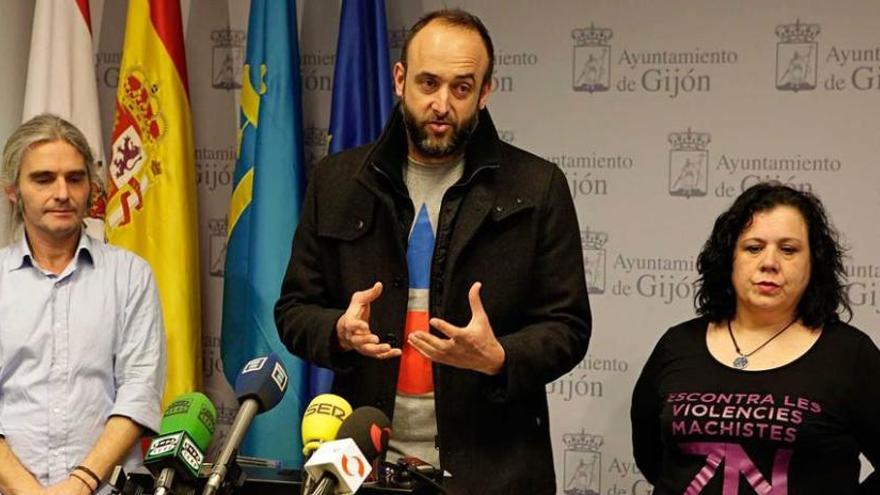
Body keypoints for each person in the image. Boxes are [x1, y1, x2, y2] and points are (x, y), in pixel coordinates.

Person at [274, 9, 591, 494]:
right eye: (428, 83)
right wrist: (337, 330)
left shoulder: (538, 186)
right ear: (400, 80)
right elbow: (295, 309)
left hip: (493, 469)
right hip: (364, 463)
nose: (441, 104)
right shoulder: (337, 182)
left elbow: (568, 327)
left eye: (461, 88)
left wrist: (500, 356)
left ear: (485, 92)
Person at [631, 182, 880, 494]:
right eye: (753, 247)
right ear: (729, 258)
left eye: (788, 250)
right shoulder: (678, 344)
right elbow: (651, 456)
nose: (770, 263)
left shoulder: (850, 354)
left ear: (814, 262)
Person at [0, 114, 165, 495]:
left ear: (92, 186)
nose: (62, 193)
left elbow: (139, 391)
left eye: (75, 178)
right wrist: (28, 490)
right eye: (43, 179)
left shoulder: (130, 275)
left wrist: (81, 484)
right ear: (13, 190)